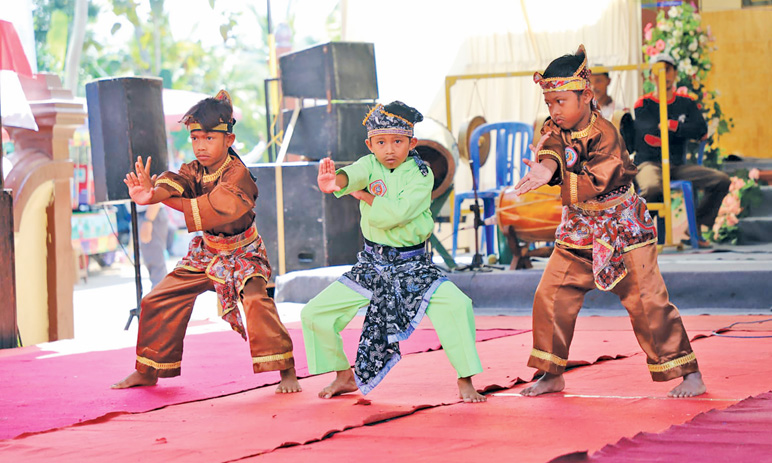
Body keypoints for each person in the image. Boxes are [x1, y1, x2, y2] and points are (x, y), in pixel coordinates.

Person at [515, 45, 705, 398]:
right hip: (579, 229)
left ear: (586, 95)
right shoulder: (556, 124)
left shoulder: (606, 134)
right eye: (549, 103)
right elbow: (552, 146)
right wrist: (548, 166)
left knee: (647, 302)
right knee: (551, 294)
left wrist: (556, 175)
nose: (554, 111)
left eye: (561, 102)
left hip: (622, 229)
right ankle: (552, 372)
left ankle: (687, 372)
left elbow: (598, 179)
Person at [113, 90, 300, 393]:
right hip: (207, 251)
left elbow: (213, 209)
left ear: (229, 140)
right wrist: (152, 194)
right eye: (196, 138)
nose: (201, 145)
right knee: (156, 299)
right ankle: (148, 370)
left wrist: (157, 200)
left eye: (209, 138)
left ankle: (286, 370)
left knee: (256, 301)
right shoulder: (195, 169)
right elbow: (175, 182)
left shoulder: (238, 175)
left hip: (243, 253)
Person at [301, 101, 486, 403]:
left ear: (412, 142)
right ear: (370, 144)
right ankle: (342, 374)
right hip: (372, 265)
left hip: (413, 267)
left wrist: (361, 195)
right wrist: (338, 181)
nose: (389, 149)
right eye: (381, 142)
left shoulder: (421, 174)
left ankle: (465, 379)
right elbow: (353, 174)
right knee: (314, 314)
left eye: (398, 141)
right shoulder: (369, 164)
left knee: (457, 305)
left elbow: (398, 213)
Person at [631, 53, 730, 247]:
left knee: (721, 180)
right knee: (652, 187)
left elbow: (701, 130)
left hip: (677, 165)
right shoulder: (643, 104)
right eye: (658, 71)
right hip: (650, 163)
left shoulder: (686, 103)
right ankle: (636, 233)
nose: (663, 75)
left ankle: (697, 223)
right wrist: (680, 131)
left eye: (667, 69)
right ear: (651, 76)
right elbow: (647, 135)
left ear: (675, 73)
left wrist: (674, 126)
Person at [136, 203, 169, 289]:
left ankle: (160, 299)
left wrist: (148, 220)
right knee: (153, 263)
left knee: (156, 265)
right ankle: (159, 297)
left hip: (150, 214)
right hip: (146, 215)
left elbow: (155, 195)